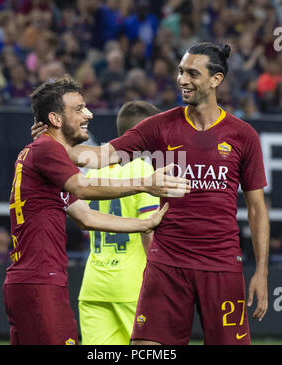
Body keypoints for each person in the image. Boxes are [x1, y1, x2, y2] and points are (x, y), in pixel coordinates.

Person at [65, 42, 269, 345]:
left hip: (221, 264)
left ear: (216, 80)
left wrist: (261, 271)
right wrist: (55, 143)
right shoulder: (159, 126)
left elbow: (256, 209)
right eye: (180, 72)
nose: (182, 80)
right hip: (167, 262)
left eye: (192, 74)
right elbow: (98, 157)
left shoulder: (243, 135)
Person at [3, 75, 189, 345]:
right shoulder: (47, 151)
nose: (88, 114)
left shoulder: (39, 153)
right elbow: (83, 188)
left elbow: (86, 216)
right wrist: (145, 184)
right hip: (44, 281)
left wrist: (143, 225)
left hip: (35, 281)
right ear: (56, 119)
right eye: (79, 109)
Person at [78, 101, 161, 345]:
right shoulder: (144, 171)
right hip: (134, 287)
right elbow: (149, 232)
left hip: (94, 285)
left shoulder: (94, 172)